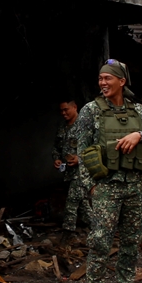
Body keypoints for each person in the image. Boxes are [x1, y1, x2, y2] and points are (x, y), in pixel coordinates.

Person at [74, 60, 142, 283]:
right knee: (100, 246)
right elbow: (82, 150)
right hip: (106, 188)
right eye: (100, 78)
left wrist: (139, 135)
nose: (102, 83)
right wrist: (90, 186)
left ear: (121, 82)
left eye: (107, 78)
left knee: (132, 243)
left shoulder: (140, 112)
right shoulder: (90, 111)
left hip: (134, 186)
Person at [53, 99, 90, 233]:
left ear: (74, 107)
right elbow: (57, 147)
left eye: (66, 109)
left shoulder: (86, 126)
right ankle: (95, 227)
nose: (63, 113)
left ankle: (68, 233)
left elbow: (96, 148)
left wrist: (80, 159)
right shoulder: (62, 127)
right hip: (68, 172)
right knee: (83, 204)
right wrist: (56, 158)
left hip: (82, 172)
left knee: (72, 202)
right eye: (61, 110)